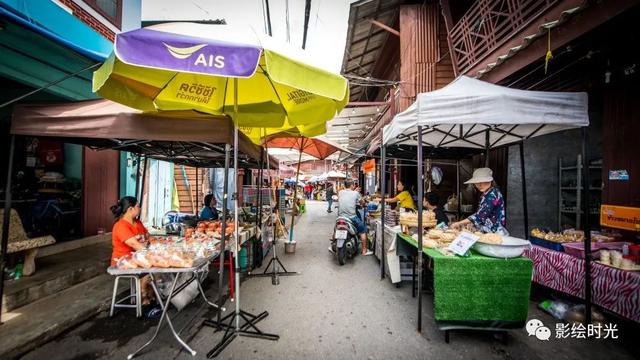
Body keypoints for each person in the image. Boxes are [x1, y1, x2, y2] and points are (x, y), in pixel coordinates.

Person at [110, 196, 160, 317]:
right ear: (130, 209)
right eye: (138, 206)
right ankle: (144, 301)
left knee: (160, 268)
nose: (140, 208)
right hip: (123, 262)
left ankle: (153, 297)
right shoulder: (120, 226)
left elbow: (148, 236)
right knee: (151, 269)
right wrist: (155, 253)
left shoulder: (137, 223)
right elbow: (135, 244)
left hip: (138, 258)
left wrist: (155, 242)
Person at [450, 168, 507, 234]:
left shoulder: (492, 195)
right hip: (487, 231)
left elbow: (480, 216)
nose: (479, 185)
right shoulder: (487, 193)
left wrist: (458, 223)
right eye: (476, 183)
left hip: (494, 233)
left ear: (490, 181)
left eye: (482, 182)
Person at [337, 180, 373, 256]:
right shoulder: (356, 193)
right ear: (352, 186)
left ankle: (333, 239)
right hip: (352, 217)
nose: (354, 186)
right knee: (363, 230)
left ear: (344, 186)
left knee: (336, 226)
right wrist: (363, 203)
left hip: (341, 216)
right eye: (353, 185)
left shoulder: (340, 192)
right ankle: (364, 250)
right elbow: (362, 202)